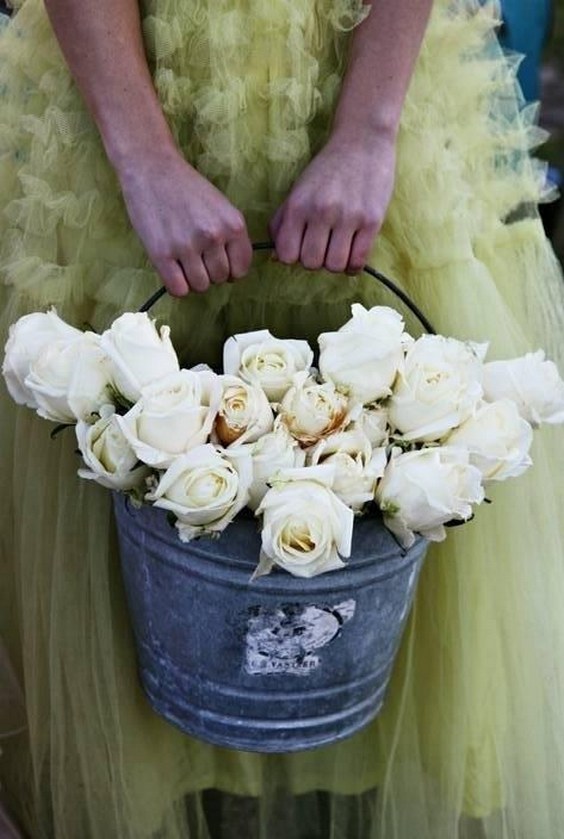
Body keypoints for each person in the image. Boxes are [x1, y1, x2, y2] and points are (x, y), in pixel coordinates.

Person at [1, 0, 564, 837]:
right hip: (134, 73)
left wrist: (370, 131)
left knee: (400, 462)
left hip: (364, 56)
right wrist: (143, 157)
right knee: (118, 483)